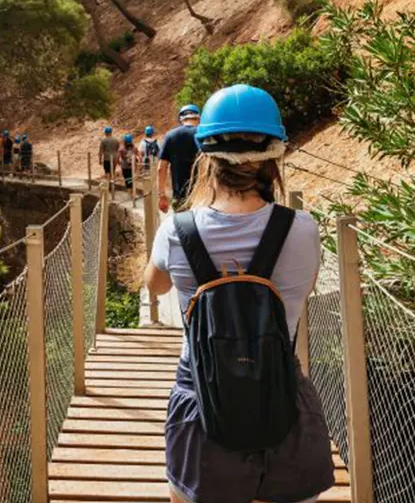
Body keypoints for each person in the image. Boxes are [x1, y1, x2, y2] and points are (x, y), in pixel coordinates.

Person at [143, 84, 334, 503]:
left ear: (206, 156)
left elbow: (153, 286)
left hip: (200, 398)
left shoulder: (178, 230)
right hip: (280, 393)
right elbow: (308, 285)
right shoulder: (302, 228)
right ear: (274, 155)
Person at [158, 104, 201, 213]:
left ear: (181, 119)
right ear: (198, 118)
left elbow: (161, 169)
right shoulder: (205, 135)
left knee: (182, 228)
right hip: (203, 197)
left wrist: (162, 195)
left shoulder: (170, 136)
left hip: (180, 197)